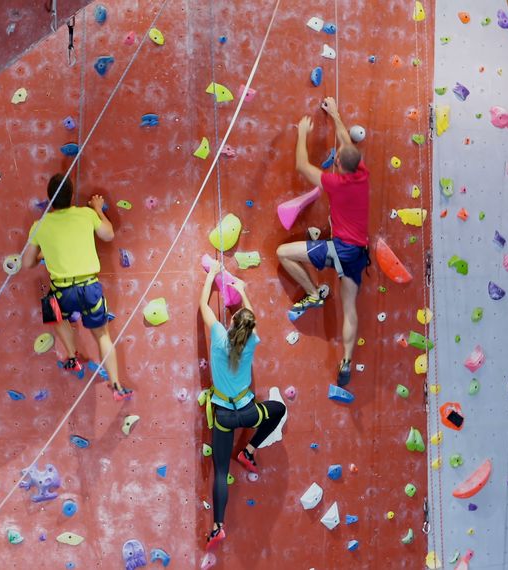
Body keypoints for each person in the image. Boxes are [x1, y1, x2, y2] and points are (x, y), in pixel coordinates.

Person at [275, 96, 371, 401]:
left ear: (339, 167)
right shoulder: (362, 174)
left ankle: (314, 292)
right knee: (350, 309)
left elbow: (302, 166)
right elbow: (346, 142)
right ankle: (346, 359)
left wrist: (302, 132)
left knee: (283, 254)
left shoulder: (335, 183)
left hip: (338, 249)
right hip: (357, 254)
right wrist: (336, 114)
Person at [198, 261, 287, 550]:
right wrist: (244, 291)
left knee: (221, 471)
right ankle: (249, 450)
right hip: (248, 412)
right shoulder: (250, 341)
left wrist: (211, 276)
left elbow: (204, 307)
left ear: (233, 324)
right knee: (277, 410)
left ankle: (218, 526)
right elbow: (254, 320)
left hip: (224, 415)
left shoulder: (219, 337)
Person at [22, 174, 132, 401]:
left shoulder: (40, 225)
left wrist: (46, 251)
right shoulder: (86, 214)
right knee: (102, 336)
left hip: (62, 291)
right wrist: (98, 208)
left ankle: (72, 357)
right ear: (71, 195)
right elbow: (108, 234)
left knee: (52, 311)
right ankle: (116, 385)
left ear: (50, 199)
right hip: (88, 287)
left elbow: (28, 263)